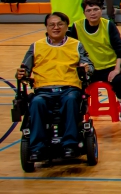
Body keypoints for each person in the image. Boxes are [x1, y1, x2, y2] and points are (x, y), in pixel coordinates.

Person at [16, 12, 94, 161]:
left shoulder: (76, 45)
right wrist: (21, 73)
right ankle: (38, 147)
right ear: (46, 27)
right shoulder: (36, 46)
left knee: (71, 101)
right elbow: (25, 69)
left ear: (66, 27)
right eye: (51, 25)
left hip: (69, 88)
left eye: (60, 24)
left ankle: (70, 144)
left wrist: (86, 68)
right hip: (44, 89)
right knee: (36, 103)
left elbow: (89, 65)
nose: (56, 27)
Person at [69, 0, 121, 116]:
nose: (93, 13)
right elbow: (70, 49)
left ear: (101, 10)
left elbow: (120, 49)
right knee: (73, 84)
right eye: (89, 10)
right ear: (84, 13)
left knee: (118, 81)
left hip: (109, 67)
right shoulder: (76, 26)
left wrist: (117, 69)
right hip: (89, 68)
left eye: (96, 9)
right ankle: (79, 109)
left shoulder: (108, 25)